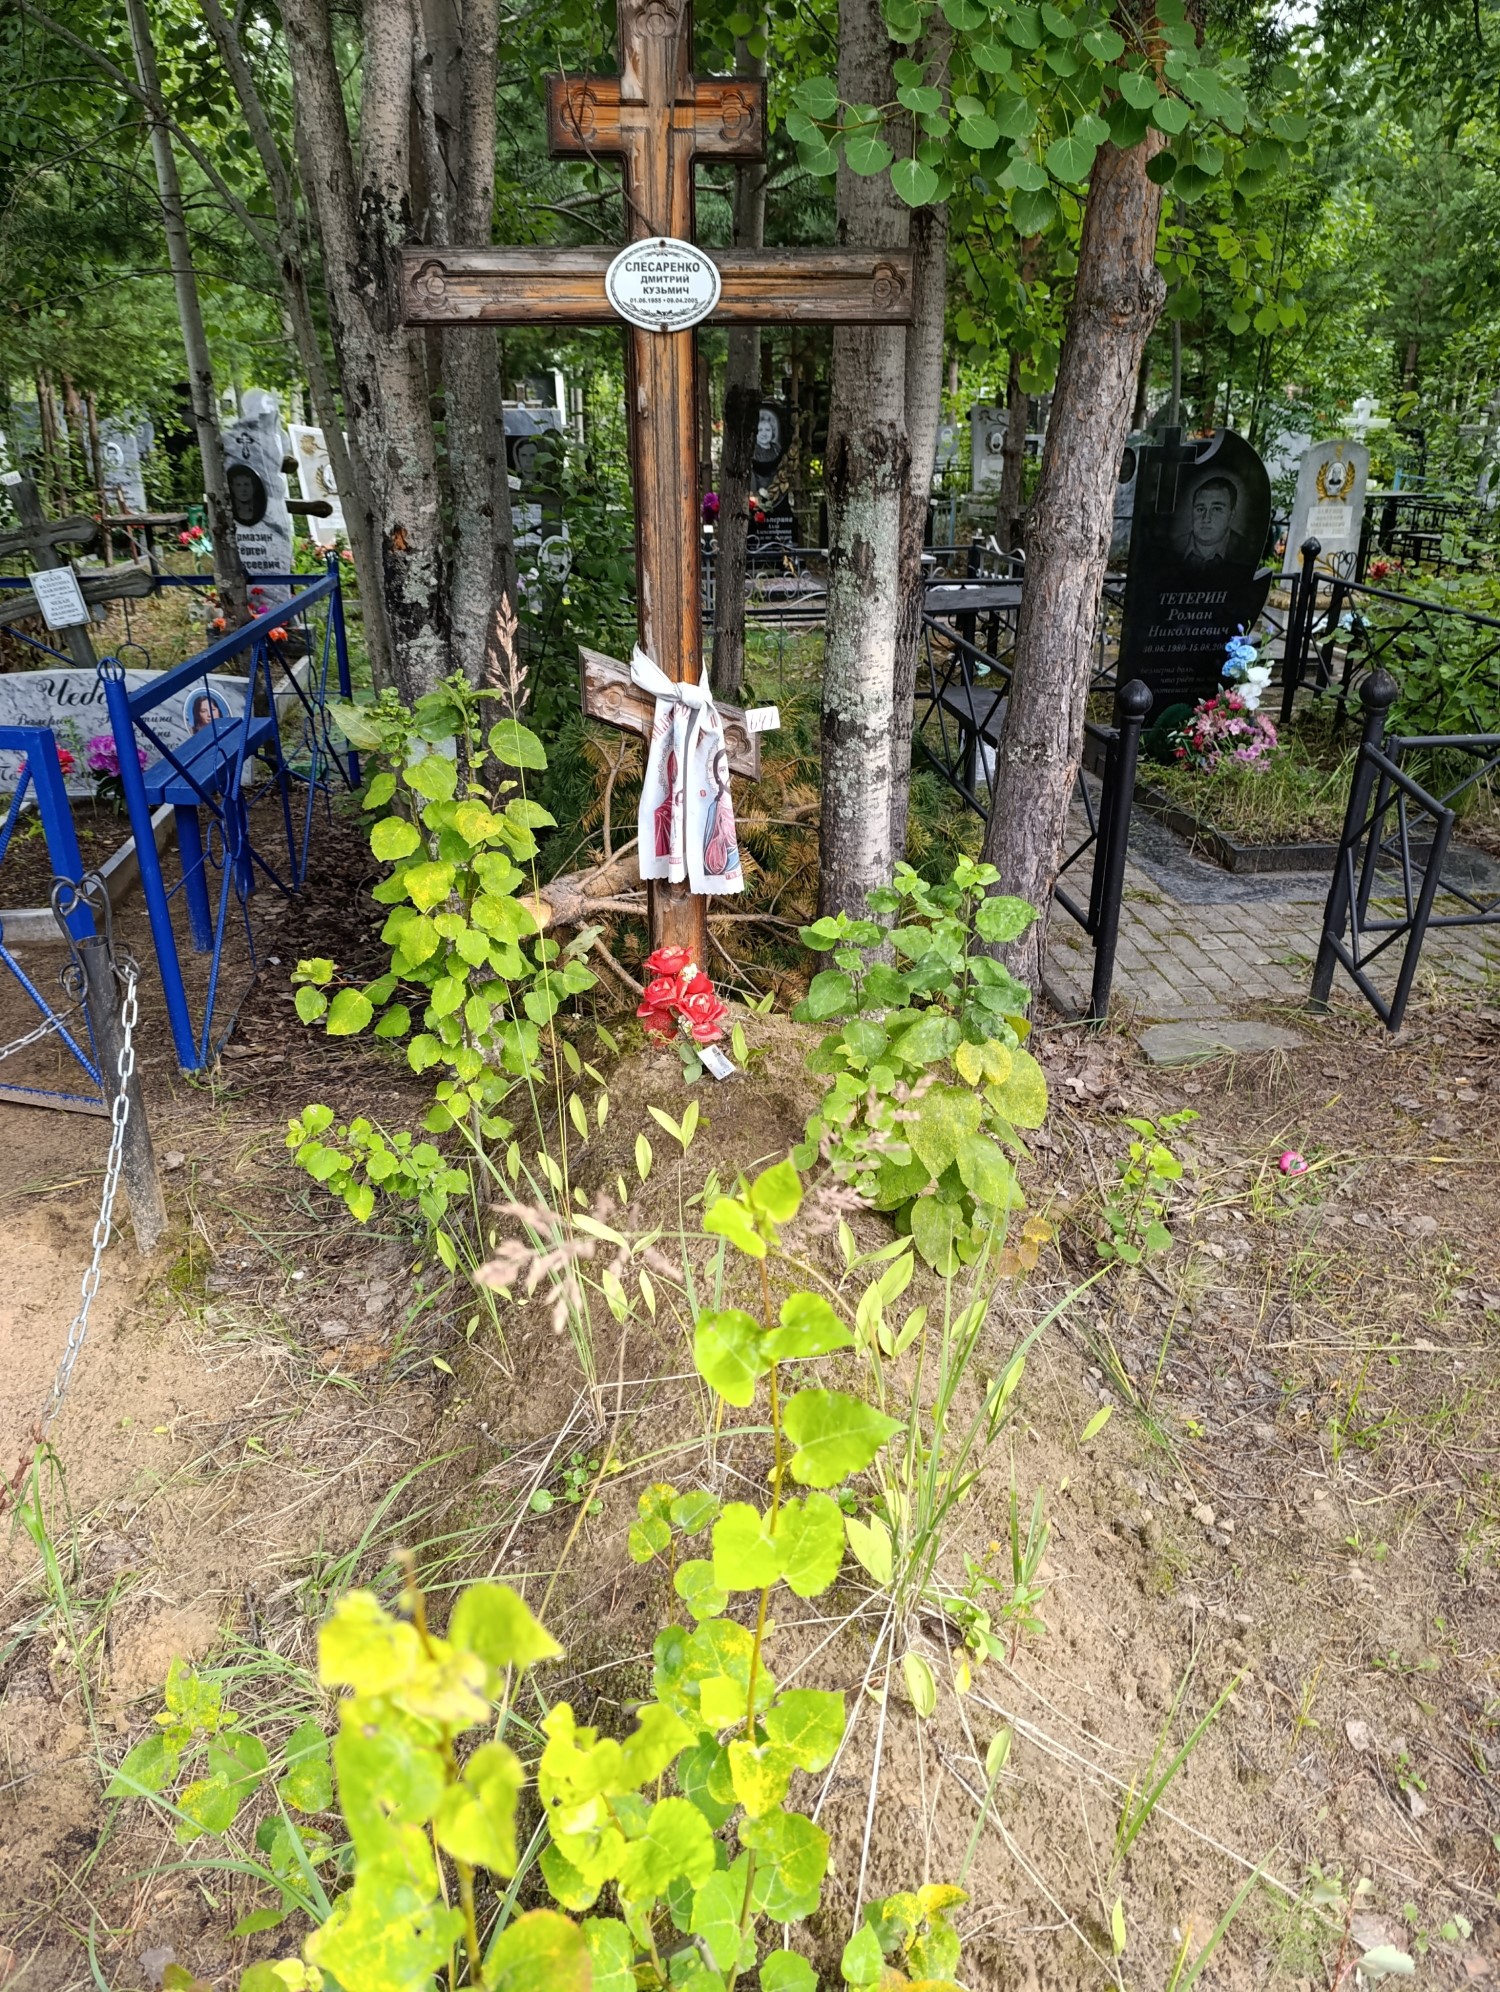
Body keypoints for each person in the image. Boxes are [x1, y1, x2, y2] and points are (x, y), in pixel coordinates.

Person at [1177, 475, 1249, 570]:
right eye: (1200, 509)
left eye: (1216, 509)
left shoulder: (1249, 551)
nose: (1206, 519)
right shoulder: (1169, 548)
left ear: (1231, 515)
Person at [702, 747, 738, 879]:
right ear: (717, 776)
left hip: (736, 859)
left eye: (727, 767)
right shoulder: (714, 807)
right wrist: (720, 837)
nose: (726, 772)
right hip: (724, 861)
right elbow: (710, 842)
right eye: (722, 770)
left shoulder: (734, 799)